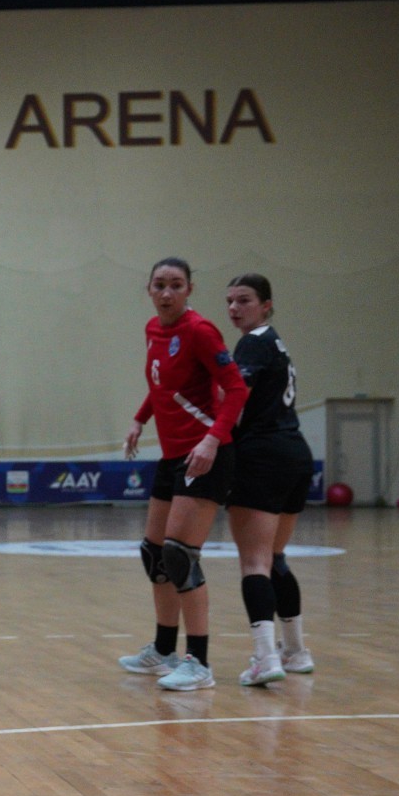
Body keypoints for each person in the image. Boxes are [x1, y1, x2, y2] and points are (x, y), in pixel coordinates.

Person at [119, 258, 249, 692]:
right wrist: (139, 419)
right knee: (154, 554)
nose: (167, 293)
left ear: (189, 289)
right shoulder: (153, 330)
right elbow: (162, 386)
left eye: (176, 285)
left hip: (207, 455)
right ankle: (163, 650)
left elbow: (237, 389)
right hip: (173, 454)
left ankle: (199, 662)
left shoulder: (200, 331)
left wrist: (212, 440)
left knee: (179, 555)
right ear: (149, 289)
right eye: (159, 285)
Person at [223, 274, 316, 686]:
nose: (234, 308)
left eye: (244, 300)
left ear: (266, 305)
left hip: (262, 455)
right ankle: (295, 651)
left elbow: (235, 400)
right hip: (295, 453)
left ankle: (265, 658)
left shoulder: (253, 342)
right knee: (275, 558)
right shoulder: (276, 343)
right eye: (229, 301)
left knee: (255, 563)